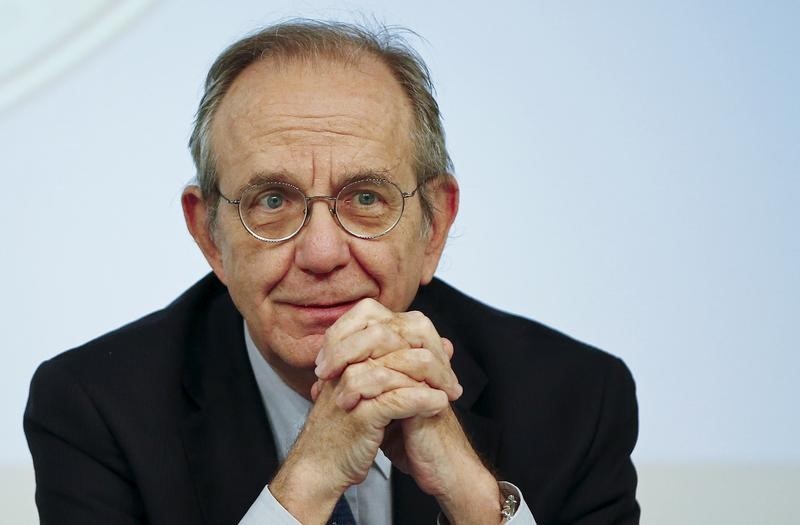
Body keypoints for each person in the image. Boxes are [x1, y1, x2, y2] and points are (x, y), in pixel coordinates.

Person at [24, 20, 640, 525]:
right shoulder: (95, 408)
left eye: (366, 198)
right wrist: (309, 481)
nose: (322, 253)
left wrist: (477, 506)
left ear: (435, 225)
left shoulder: (576, 401)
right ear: (209, 234)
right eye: (272, 200)